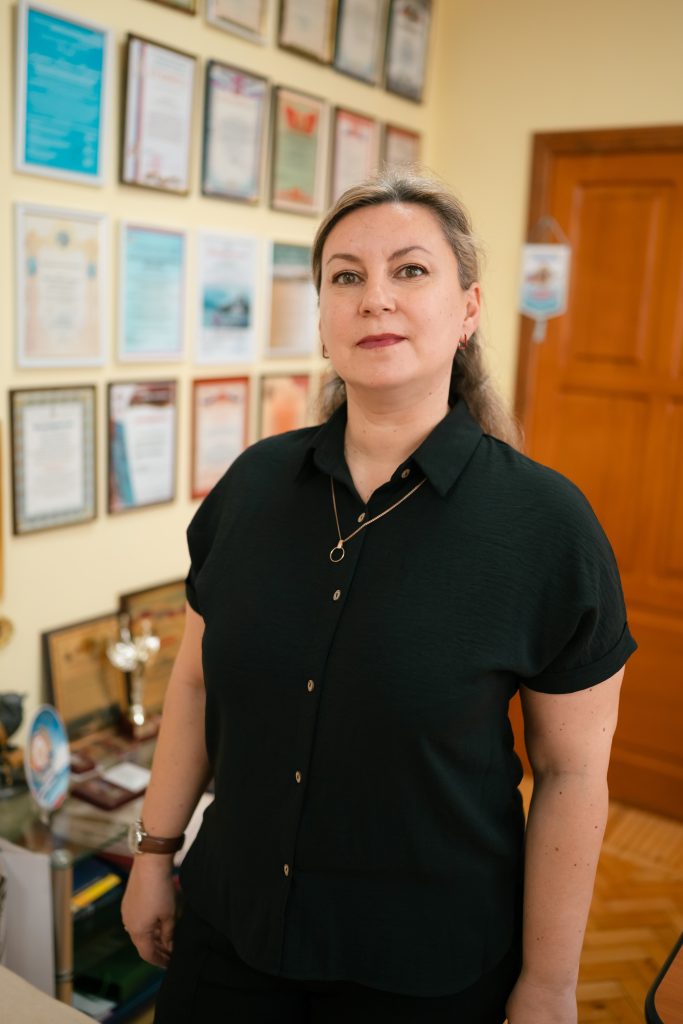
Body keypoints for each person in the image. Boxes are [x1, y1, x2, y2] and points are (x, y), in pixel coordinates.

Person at [121, 170, 637, 1024]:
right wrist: (153, 852)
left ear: (467, 310)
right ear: (323, 317)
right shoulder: (251, 487)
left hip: (423, 970)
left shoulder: (546, 527)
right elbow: (196, 682)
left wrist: (549, 982)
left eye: (410, 270)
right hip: (228, 932)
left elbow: (571, 772)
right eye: (346, 277)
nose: (374, 299)